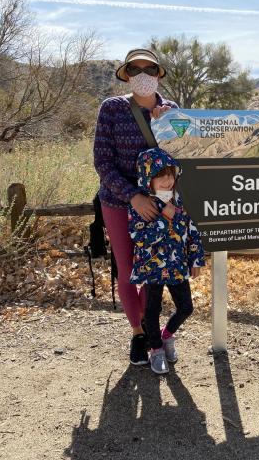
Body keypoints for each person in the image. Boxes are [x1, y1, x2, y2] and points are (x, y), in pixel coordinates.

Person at [93, 48, 177, 366]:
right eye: (136, 69)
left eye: (150, 69)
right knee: (129, 272)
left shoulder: (171, 111)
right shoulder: (112, 109)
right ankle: (138, 333)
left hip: (159, 206)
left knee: (155, 272)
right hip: (118, 201)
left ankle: (152, 329)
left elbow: (179, 159)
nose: (143, 75)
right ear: (127, 74)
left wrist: (165, 127)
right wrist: (133, 197)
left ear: (158, 74)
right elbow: (103, 161)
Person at [128, 148, 205, 374]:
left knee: (186, 307)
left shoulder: (178, 200)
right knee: (151, 311)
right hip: (152, 267)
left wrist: (196, 258)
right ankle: (156, 350)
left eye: (170, 174)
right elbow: (140, 238)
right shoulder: (142, 205)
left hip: (177, 266)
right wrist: (164, 217)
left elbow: (192, 230)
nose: (168, 180)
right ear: (148, 178)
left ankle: (167, 335)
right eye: (161, 175)